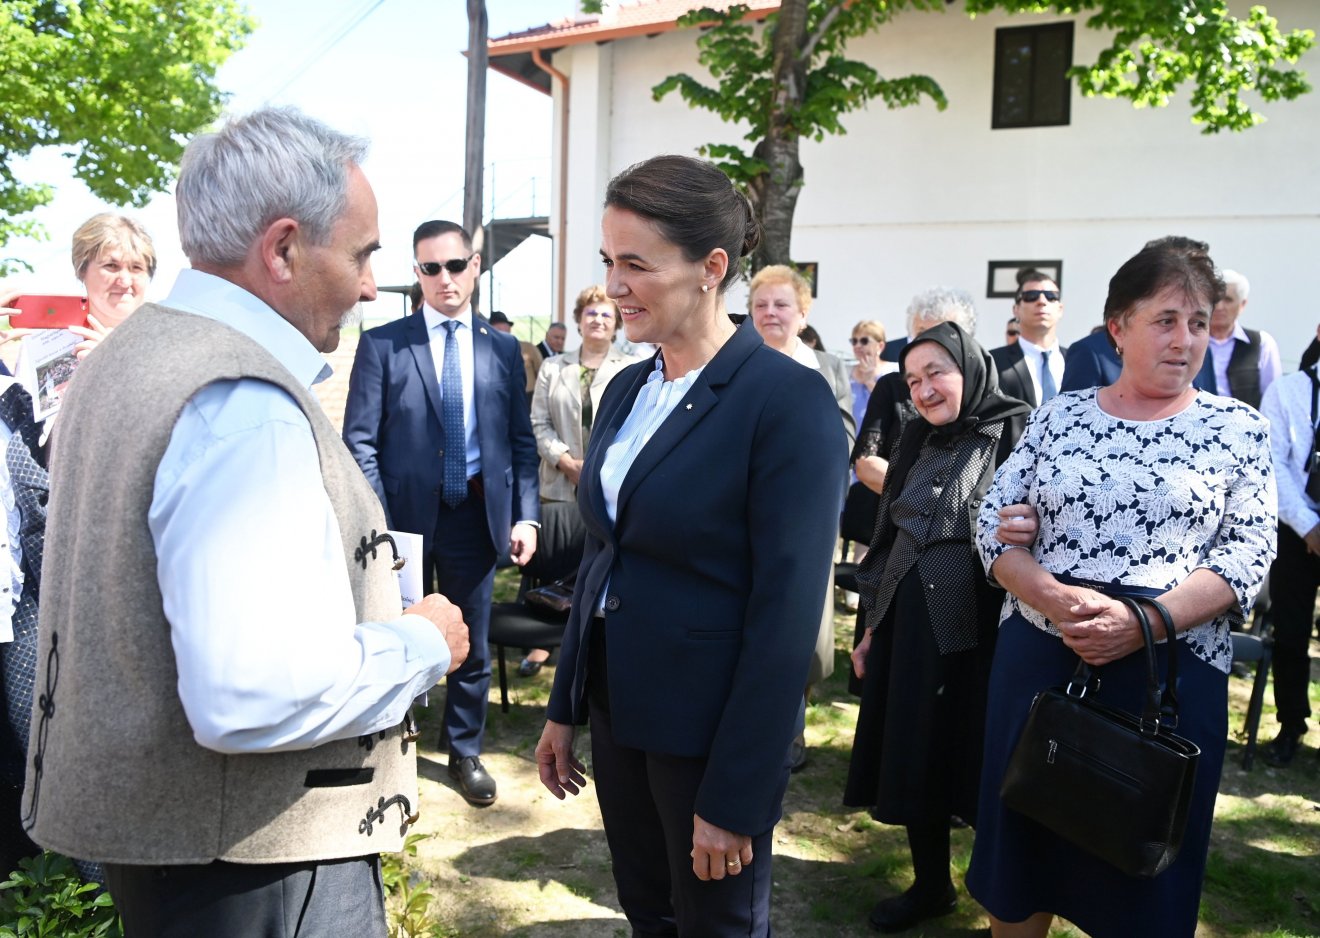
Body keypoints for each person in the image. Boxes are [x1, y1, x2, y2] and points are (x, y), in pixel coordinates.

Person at [21, 107, 471, 937]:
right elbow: (253, 697)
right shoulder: (242, 405)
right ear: (284, 248)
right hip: (257, 867)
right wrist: (420, 645)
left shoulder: (128, 357)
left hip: (183, 855)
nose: (373, 284)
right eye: (363, 253)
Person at [534, 154, 848, 936]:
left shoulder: (785, 400)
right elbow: (605, 557)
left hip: (709, 729)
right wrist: (565, 702)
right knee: (650, 914)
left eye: (635, 264)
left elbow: (785, 616)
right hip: (617, 706)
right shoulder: (628, 389)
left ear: (712, 268)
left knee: (716, 927)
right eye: (608, 261)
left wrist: (737, 794)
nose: (613, 286)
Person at [967, 236, 1276, 938]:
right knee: (1023, 860)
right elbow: (991, 526)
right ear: (1118, 326)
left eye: (1199, 322)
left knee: (1143, 882)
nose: (1185, 339)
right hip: (1043, 663)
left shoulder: (1237, 429)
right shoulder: (1057, 416)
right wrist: (1050, 596)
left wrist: (1141, 622)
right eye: (1166, 319)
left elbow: (1248, 554)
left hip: (1167, 675)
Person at [344, 221, 539, 807]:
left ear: (475, 266)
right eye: (431, 269)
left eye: (454, 265)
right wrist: (381, 524)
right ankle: (388, 743)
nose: (445, 279)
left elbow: (520, 443)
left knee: (472, 643)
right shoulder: (384, 344)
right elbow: (360, 442)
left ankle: (464, 749)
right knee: (395, 631)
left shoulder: (502, 348)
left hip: (475, 516)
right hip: (401, 526)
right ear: (417, 274)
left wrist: (526, 517)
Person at [845, 321, 1029, 933]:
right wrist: (871, 627)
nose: (923, 391)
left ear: (969, 369)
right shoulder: (917, 439)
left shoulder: (1016, 430)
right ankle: (932, 887)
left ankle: (1007, 892)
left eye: (936, 374)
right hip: (910, 627)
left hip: (989, 632)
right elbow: (890, 535)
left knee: (985, 761)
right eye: (913, 380)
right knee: (918, 756)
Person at [521, 286, 637, 676]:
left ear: (617, 322)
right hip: (558, 483)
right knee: (558, 562)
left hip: (608, 486)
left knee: (598, 567)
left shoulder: (632, 366)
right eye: (591, 313)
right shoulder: (554, 367)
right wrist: (565, 460)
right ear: (578, 319)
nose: (598, 321)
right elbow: (538, 421)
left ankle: (591, 646)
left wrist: (597, 465)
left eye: (606, 314)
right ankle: (543, 643)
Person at [1258, 358, 1320, 766]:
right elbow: (1273, 462)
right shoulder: (1288, 389)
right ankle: (1290, 725)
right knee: (1291, 635)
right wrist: (1309, 526)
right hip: (1297, 530)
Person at [2, 213, 157, 363]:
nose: (124, 280)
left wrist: (114, 363)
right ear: (82, 271)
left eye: (136, 267)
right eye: (111, 266)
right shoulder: (45, 341)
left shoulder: (167, 337)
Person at [747, 264, 855, 445]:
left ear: (803, 315)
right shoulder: (735, 366)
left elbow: (845, 440)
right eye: (760, 305)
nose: (769, 312)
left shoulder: (831, 368)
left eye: (781, 305)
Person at [989, 271, 1065, 408]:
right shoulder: (992, 362)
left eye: (1051, 296)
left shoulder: (1077, 359)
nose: (1042, 301)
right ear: (1016, 309)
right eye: (1031, 296)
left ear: (1060, 309)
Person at [1207, 268, 1281, 408]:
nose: (1219, 306)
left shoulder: (1261, 343)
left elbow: (1272, 399)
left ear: (1242, 305)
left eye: (1228, 300)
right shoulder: (1190, 340)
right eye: (1215, 299)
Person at [848, 319, 895, 434]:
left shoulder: (894, 370)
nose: (858, 345)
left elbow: (896, 408)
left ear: (880, 346)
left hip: (883, 440)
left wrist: (869, 381)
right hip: (851, 442)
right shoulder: (845, 372)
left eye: (864, 341)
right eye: (854, 341)